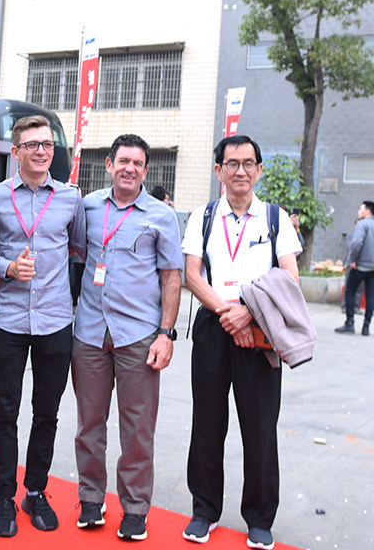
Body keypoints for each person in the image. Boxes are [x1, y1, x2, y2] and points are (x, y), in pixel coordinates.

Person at [182, 135, 301, 550]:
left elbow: (289, 277)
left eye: (249, 163)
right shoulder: (203, 216)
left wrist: (248, 312)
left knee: (260, 426)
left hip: (259, 328)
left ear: (259, 170)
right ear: (219, 170)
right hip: (214, 326)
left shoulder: (275, 218)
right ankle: (204, 510)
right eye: (231, 163)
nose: (240, 171)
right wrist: (228, 313)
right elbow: (192, 275)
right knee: (207, 423)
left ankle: (260, 518)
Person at [0, 115, 86, 537]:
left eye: (47, 144)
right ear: (16, 151)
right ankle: (4, 497)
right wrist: (6, 267)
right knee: (4, 412)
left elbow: (78, 248)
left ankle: (36, 491)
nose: (41, 151)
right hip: (8, 319)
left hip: (55, 320)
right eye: (32, 145)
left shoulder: (70, 198)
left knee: (47, 413)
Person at [72, 134, 182, 541]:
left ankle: (135, 508)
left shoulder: (162, 216)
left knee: (137, 428)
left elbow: (171, 278)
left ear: (146, 170)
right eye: (123, 161)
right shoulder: (87, 207)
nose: (129, 169)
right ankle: (90, 498)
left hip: (139, 335)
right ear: (109, 164)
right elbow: (74, 253)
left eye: (137, 163)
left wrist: (165, 334)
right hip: (89, 332)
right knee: (89, 423)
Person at [335, 201, 374, 336]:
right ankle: (366, 326)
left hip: (361, 265)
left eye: (361, 208)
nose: (359, 211)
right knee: (370, 296)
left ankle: (349, 323)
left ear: (367, 211)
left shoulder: (362, 224)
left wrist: (352, 260)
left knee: (350, 291)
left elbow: (357, 243)